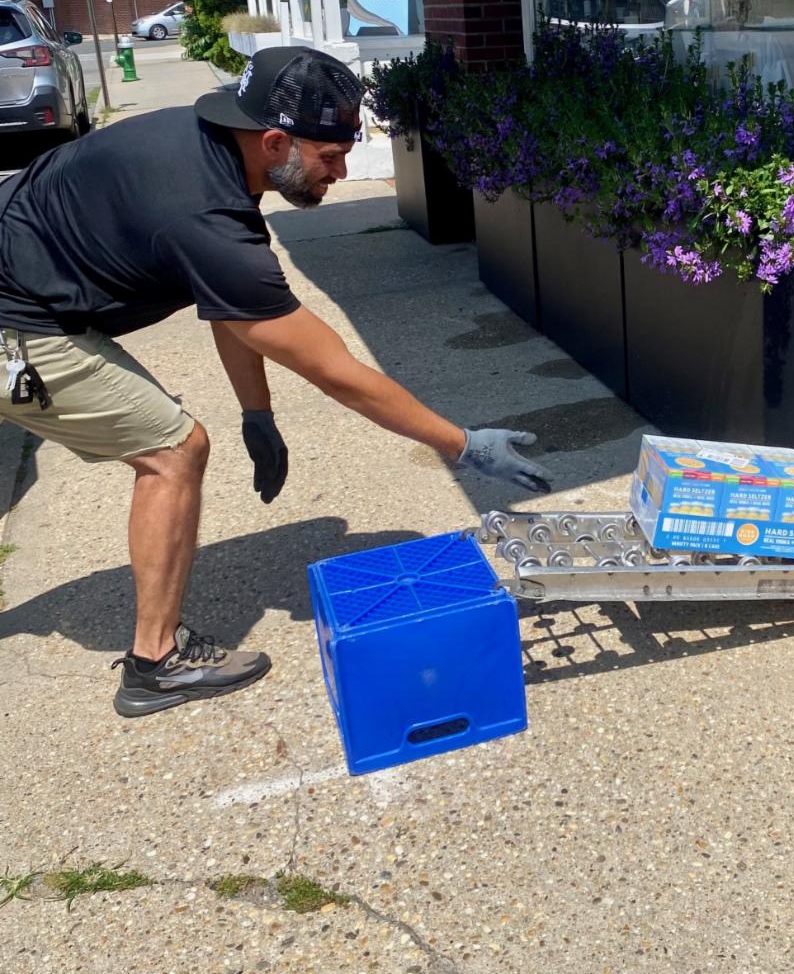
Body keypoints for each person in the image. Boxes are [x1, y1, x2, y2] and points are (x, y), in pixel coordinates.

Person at [0, 46, 551, 718]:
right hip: (18, 328)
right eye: (330, 158)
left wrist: (256, 414)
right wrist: (463, 445)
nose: (341, 172)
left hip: (25, 281)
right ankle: (155, 662)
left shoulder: (206, 152)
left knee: (175, 443)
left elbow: (229, 310)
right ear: (274, 140)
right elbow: (334, 370)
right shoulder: (204, 216)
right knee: (174, 452)